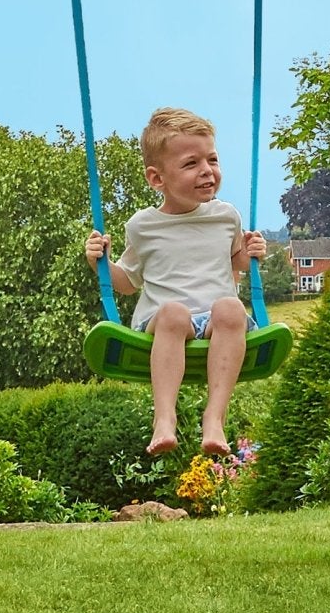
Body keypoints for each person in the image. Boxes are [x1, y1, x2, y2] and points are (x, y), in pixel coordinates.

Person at [85, 107, 267, 458]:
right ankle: (164, 419)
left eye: (212, 159)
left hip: (215, 322)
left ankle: (215, 419)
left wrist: (251, 253)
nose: (207, 171)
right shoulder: (142, 226)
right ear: (157, 179)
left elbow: (236, 262)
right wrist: (101, 264)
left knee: (231, 308)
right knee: (174, 312)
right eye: (191, 164)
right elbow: (127, 282)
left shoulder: (226, 216)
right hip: (163, 322)